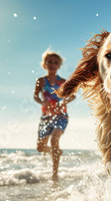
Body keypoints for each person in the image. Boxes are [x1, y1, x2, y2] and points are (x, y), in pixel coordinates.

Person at [33, 49, 75, 181]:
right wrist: (41, 101)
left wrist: (63, 102)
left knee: (54, 140)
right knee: (40, 148)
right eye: (49, 61)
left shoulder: (62, 82)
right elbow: (35, 96)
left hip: (61, 115)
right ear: (44, 64)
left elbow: (72, 96)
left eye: (55, 62)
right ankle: (57, 152)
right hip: (46, 117)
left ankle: (55, 174)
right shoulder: (40, 81)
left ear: (59, 65)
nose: (52, 64)